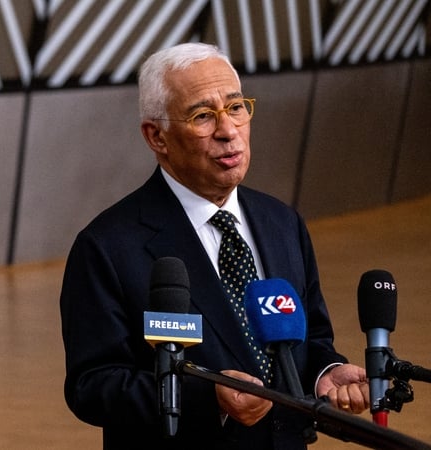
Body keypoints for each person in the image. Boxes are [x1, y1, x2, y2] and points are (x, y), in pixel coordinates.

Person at [59, 43, 369, 449]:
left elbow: (309, 340)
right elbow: (92, 385)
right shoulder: (108, 246)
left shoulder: (282, 223)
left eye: (236, 108)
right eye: (203, 115)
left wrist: (324, 372)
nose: (228, 130)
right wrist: (208, 398)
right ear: (157, 136)